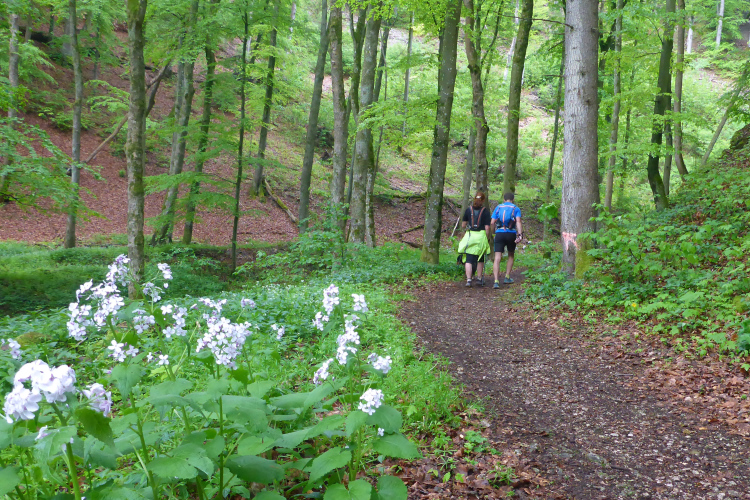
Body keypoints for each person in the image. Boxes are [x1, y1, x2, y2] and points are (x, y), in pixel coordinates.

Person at [458, 191, 492, 287]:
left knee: (468, 259)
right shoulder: (485, 211)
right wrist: (487, 237)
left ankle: (469, 280)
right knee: (480, 258)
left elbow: (463, 225)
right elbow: (487, 228)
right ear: (483, 200)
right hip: (481, 236)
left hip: (471, 236)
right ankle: (479, 278)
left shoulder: (468, 210)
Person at [490, 192, 523, 289]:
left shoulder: (498, 207)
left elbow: (492, 222)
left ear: (504, 199)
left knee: (497, 257)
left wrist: (493, 233)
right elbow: (518, 222)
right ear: (513, 199)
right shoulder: (516, 208)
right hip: (511, 234)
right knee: (511, 255)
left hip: (499, 233)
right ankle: (507, 277)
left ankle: (496, 281)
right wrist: (520, 234)